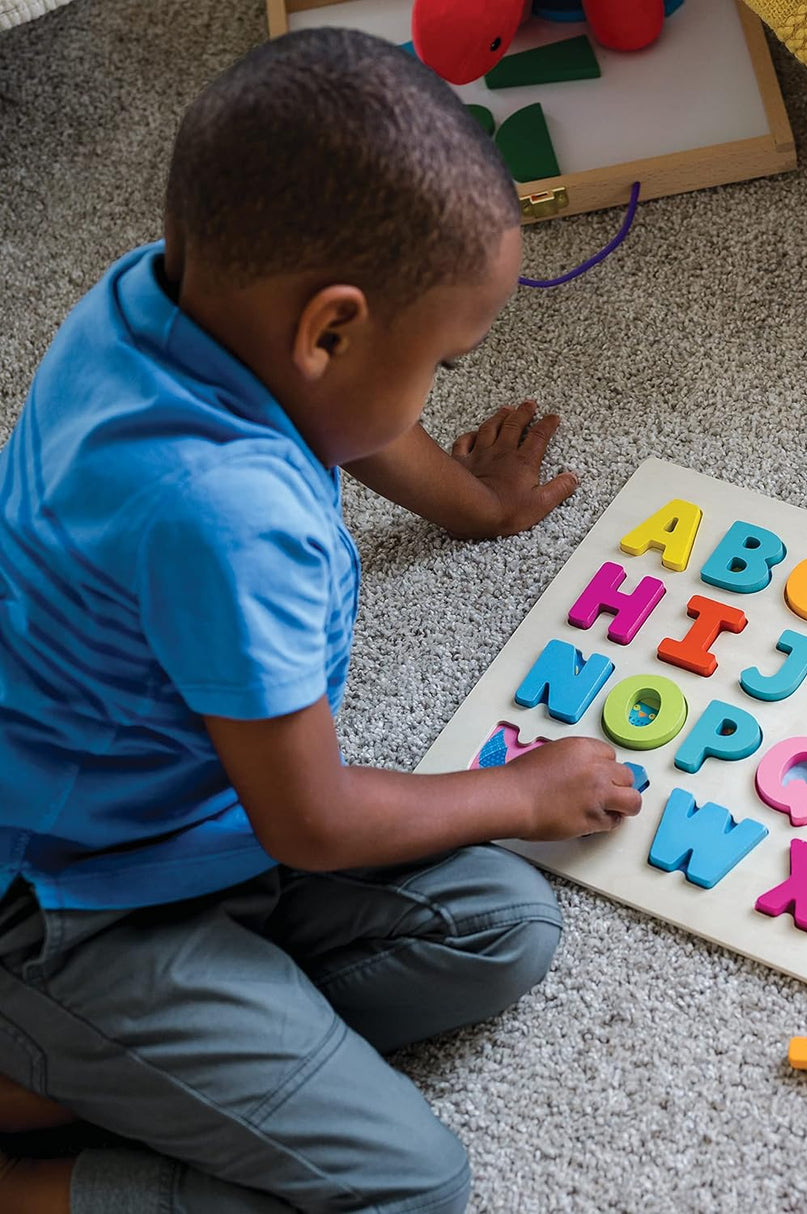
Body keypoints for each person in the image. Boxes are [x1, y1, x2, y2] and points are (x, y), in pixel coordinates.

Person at [0, 26, 641, 1214]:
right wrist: (521, 790)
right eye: (442, 361)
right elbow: (311, 818)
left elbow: (347, 410)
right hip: (75, 911)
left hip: (184, 828)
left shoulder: (167, 297)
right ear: (329, 329)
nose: (437, 384)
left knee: (501, 925)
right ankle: (44, 1117)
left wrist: (476, 501)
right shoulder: (219, 514)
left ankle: (99, 1066)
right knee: (409, 1189)